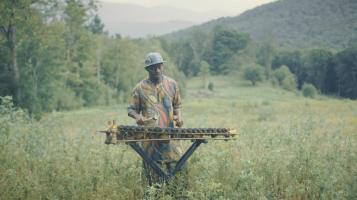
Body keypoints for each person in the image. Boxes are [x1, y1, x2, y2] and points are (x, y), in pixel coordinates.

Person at [127, 52, 187, 191]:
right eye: (153, 67)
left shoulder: (172, 84)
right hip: (150, 140)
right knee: (152, 176)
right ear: (147, 69)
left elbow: (178, 105)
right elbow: (131, 109)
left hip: (171, 139)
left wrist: (179, 116)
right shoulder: (139, 88)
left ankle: (177, 194)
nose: (157, 70)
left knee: (177, 170)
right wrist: (138, 117)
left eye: (159, 66)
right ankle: (154, 194)